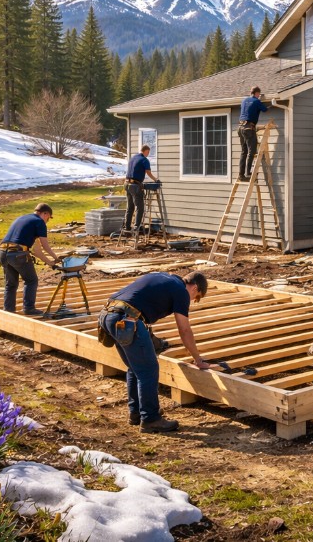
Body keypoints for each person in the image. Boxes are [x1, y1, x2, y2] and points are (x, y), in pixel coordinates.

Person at [97, 271, 213, 433]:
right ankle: (151, 419)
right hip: (127, 320)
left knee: (135, 367)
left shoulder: (165, 277)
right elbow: (184, 330)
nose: (193, 300)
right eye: (197, 296)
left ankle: (136, 413)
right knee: (149, 370)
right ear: (194, 287)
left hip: (107, 315)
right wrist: (197, 359)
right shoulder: (181, 291)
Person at [0, 203, 58, 315]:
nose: (47, 221)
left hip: (3, 253)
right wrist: (56, 258)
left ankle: (8, 310)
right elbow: (45, 246)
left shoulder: (22, 218)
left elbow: (36, 251)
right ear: (45, 213)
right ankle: (28, 308)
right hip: (18, 254)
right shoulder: (39, 222)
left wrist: (50, 263)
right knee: (31, 280)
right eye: (48, 218)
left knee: (11, 284)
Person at [237, 86, 268, 181]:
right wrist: (269, 104)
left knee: (244, 152)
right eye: (259, 94)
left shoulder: (244, 100)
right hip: (249, 128)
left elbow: (248, 112)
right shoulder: (256, 101)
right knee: (252, 151)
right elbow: (265, 110)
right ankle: (248, 174)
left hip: (241, 128)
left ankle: (241, 175)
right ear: (257, 93)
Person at [125, 144, 158, 231]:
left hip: (127, 184)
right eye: (148, 152)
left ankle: (127, 227)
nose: (148, 154)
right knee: (140, 207)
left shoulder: (133, 158)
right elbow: (148, 172)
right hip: (135, 186)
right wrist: (155, 179)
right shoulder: (144, 160)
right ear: (146, 151)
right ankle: (136, 227)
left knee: (130, 207)